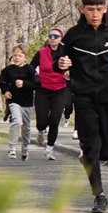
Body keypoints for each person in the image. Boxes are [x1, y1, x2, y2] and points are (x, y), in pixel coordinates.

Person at [58, 0, 108, 213]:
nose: (95, 14)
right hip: (84, 97)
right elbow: (59, 59)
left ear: (106, 9)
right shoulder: (73, 35)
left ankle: (91, 158)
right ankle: (98, 194)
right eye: (90, 9)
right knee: (92, 146)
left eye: (99, 9)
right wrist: (61, 64)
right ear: (82, 9)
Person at [34, 27, 70, 159]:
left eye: (55, 36)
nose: (52, 39)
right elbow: (31, 68)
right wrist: (35, 79)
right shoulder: (41, 53)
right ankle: (41, 130)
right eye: (50, 36)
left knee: (54, 120)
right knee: (42, 122)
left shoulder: (66, 54)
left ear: (61, 39)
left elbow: (76, 68)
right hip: (43, 89)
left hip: (60, 89)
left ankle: (49, 149)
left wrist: (69, 74)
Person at [0, 45, 39, 160]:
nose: (16, 58)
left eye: (20, 56)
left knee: (26, 128)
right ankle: (12, 148)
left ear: (25, 57)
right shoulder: (8, 70)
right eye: (15, 55)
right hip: (13, 101)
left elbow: (37, 84)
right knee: (17, 122)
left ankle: (25, 147)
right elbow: (2, 82)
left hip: (27, 103)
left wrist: (24, 84)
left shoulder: (30, 69)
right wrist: (5, 91)